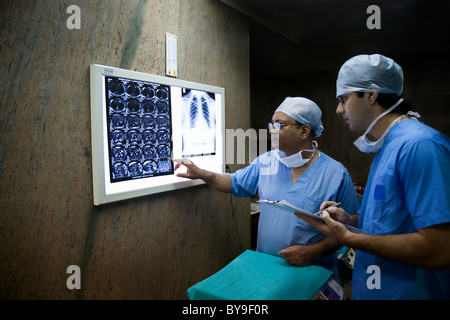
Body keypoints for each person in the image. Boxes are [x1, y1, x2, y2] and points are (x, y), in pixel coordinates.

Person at [296, 54, 450, 299]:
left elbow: (441, 249)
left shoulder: (420, 146)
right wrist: (352, 220)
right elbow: (394, 221)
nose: (338, 109)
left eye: (343, 99)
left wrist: (349, 238)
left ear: (371, 94)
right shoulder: (387, 147)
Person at [174, 97, 360, 275]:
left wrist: (314, 251)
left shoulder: (335, 173)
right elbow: (233, 182)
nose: (271, 130)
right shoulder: (266, 162)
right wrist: (201, 174)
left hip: (312, 273)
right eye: (271, 124)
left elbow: (350, 226)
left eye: (279, 125)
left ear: (304, 131)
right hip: (267, 269)